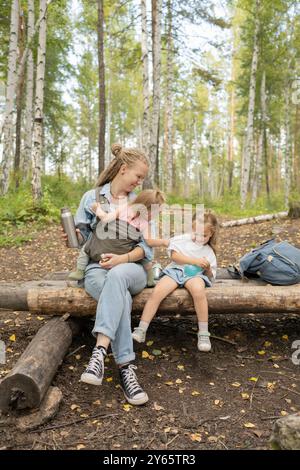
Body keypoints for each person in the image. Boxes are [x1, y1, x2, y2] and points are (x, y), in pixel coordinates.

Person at [67, 143, 158, 406]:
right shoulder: (92, 198)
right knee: (121, 297)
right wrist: (71, 237)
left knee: (118, 278)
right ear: (123, 168)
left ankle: (99, 354)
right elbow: (82, 238)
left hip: (132, 269)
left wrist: (123, 258)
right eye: (137, 176)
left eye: (142, 179)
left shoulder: (139, 204)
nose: (140, 183)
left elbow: (147, 249)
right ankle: (126, 367)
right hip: (97, 268)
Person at [132, 211, 219, 352]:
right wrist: (195, 260)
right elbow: (174, 257)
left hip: (195, 275)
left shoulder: (208, 251)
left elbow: (210, 276)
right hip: (176, 270)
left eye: (204, 235)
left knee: (198, 290)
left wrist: (207, 268)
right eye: (196, 233)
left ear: (211, 234)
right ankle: (142, 328)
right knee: (158, 291)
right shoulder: (182, 239)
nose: (199, 238)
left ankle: (203, 333)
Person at [68, 189, 169, 287]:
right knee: (145, 259)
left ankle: (80, 271)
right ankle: (150, 278)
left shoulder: (130, 212)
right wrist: (163, 242)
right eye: (156, 212)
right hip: (120, 246)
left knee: (87, 249)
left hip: (118, 247)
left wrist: (97, 210)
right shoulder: (139, 219)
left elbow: (106, 218)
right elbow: (149, 241)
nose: (156, 216)